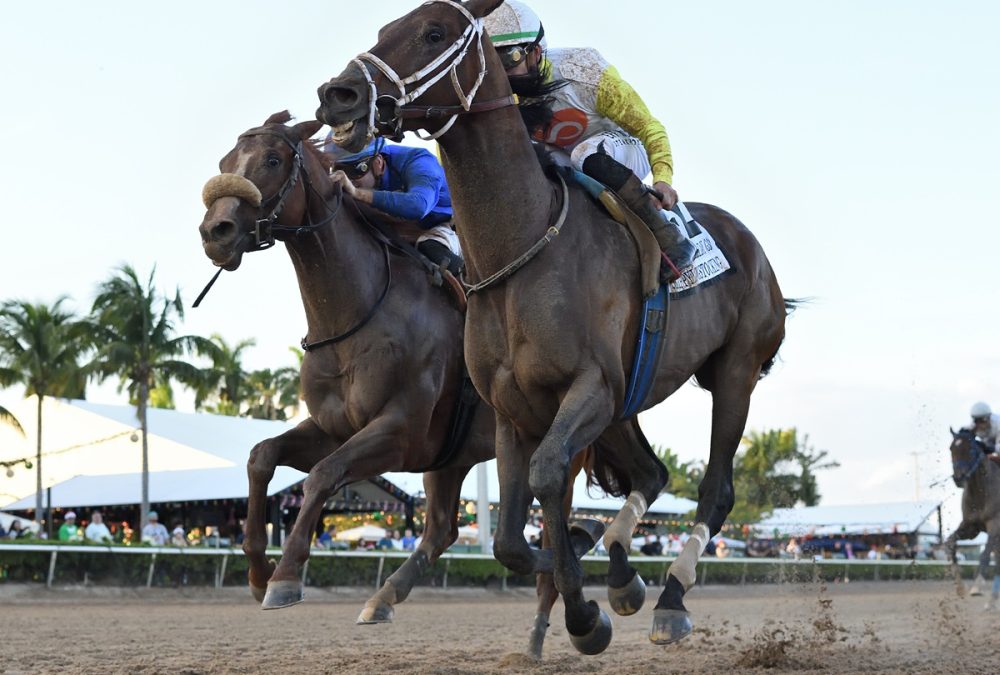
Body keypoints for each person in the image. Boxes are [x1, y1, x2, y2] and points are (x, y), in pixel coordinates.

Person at [483, 1, 695, 278]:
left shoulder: (583, 71)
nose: (501, 74)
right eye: (491, 61)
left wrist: (663, 177)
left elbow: (649, 127)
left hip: (623, 149)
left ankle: (668, 236)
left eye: (508, 59)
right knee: (531, 164)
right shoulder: (498, 97)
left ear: (534, 52)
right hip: (565, 157)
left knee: (583, 154)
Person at [326, 136, 464, 276]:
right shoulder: (370, 175)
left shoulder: (420, 162)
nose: (349, 181)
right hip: (405, 229)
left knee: (429, 247)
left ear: (378, 163)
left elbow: (418, 206)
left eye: (354, 171)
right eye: (340, 170)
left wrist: (358, 193)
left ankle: (474, 290)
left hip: (450, 227)